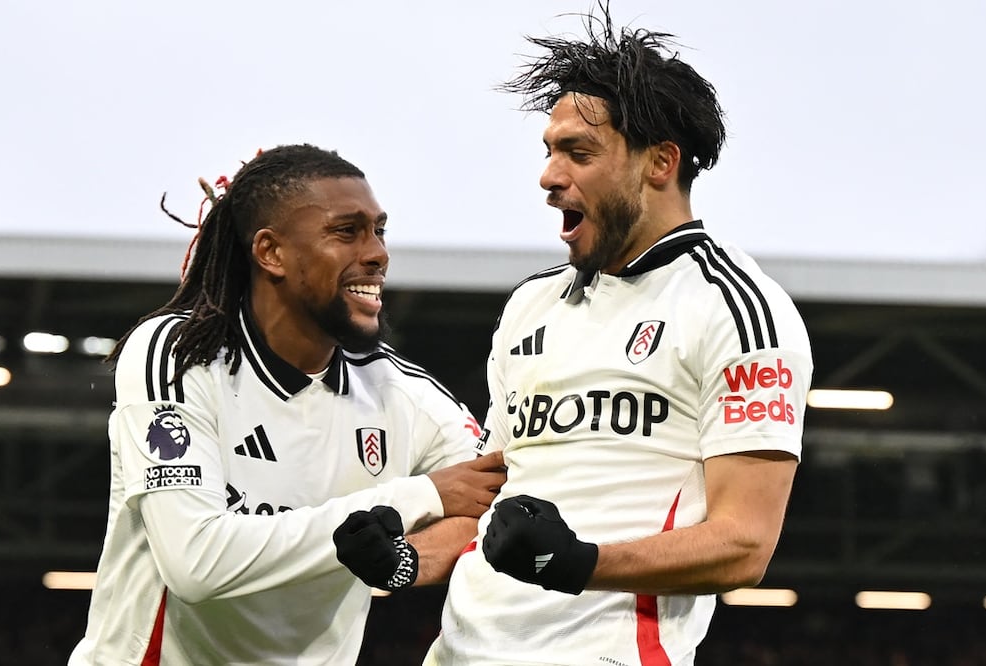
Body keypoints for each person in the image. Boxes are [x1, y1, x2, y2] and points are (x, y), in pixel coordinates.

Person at [332, 7, 814, 665]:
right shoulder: (533, 305)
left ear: (660, 163)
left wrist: (581, 562)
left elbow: (745, 544)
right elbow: (491, 503)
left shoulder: (735, 308)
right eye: (549, 150)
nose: (549, 176)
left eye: (578, 153)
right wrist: (405, 560)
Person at [68, 144, 506, 666]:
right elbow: (196, 565)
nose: (377, 253)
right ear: (270, 252)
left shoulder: (400, 391)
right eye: (347, 231)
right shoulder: (180, 354)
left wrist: (407, 559)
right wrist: (413, 497)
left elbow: (494, 501)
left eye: (379, 230)